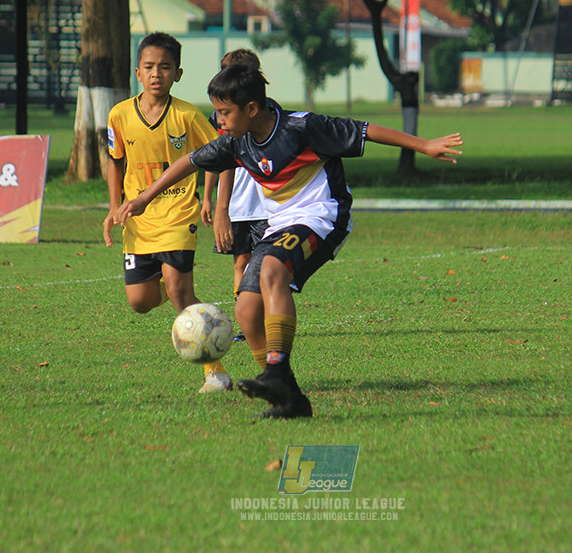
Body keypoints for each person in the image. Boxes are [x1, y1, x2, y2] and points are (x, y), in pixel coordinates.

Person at [113, 64, 463, 419]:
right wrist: (144, 198)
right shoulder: (237, 141)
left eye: (224, 112)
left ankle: (276, 372)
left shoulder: (303, 127)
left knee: (273, 269)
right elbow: (189, 161)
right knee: (246, 312)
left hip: (323, 217)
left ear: (251, 109)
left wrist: (424, 145)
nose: (218, 121)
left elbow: (367, 131)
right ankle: (290, 400)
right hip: (279, 226)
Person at [102, 32, 233, 394]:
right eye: (149, 67)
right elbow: (115, 161)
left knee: (178, 290)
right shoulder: (120, 115)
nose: (156, 73)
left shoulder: (187, 116)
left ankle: (215, 372)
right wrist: (114, 207)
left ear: (178, 73)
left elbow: (223, 155)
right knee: (140, 302)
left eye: (165, 67)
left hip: (177, 214)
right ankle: (175, 286)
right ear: (137, 73)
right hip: (139, 221)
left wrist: (215, 203)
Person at [200, 50, 271, 328]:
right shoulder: (221, 118)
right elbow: (215, 159)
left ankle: (262, 317)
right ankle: (246, 321)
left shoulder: (265, 115)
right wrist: (209, 198)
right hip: (237, 204)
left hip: (266, 203)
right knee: (241, 261)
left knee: (265, 264)